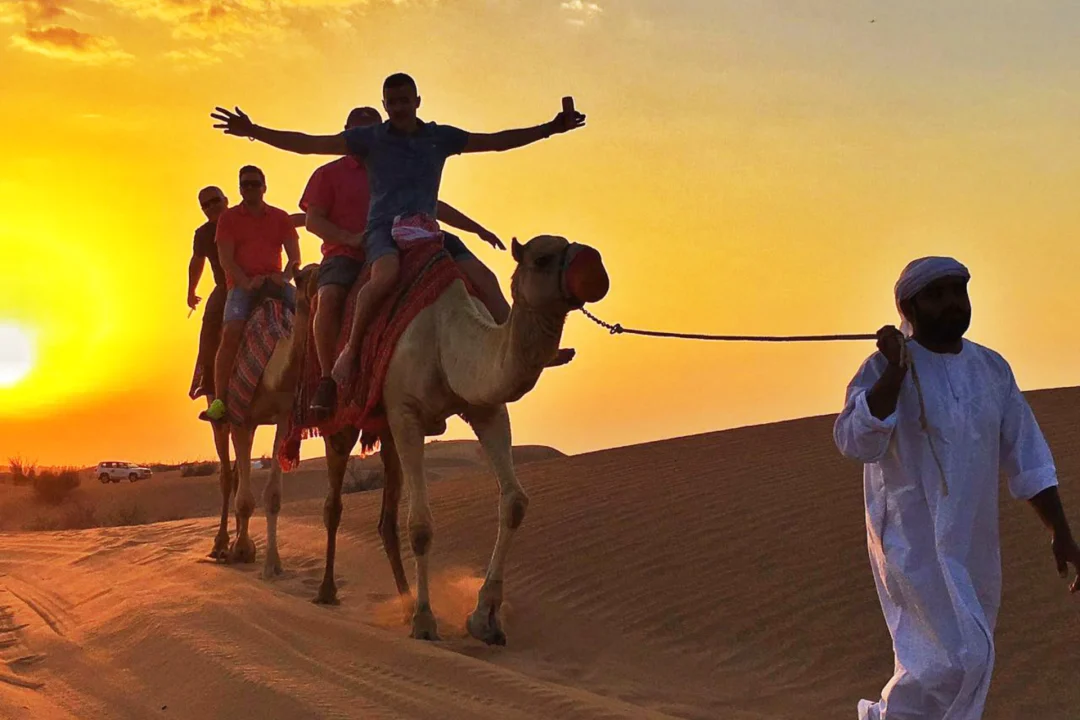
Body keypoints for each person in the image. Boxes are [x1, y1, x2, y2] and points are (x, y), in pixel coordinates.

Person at [210, 71, 583, 395]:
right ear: (385, 104)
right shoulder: (369, 142)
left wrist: (550, 128)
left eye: (405, 100)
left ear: (418, 101)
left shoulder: (439, 138)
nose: (400, 107)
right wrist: (254, 131)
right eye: (393, 102)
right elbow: (311, 144)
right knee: (380, 276)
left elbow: (496, 141)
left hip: (426, 231)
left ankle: (520, 347)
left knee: (483, 276)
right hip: (382, 233)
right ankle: (347, 355)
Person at [833, 256, 1080, 720]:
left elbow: (1027, 454)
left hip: (973, 544)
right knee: (947, 662)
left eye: (958, 291)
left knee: (967, 656)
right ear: (909, 305)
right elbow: (854, 440)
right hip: (911, 544)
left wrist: (1060, 532)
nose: (952, 303)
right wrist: (895, 370)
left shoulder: (991, 369)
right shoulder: (882, 367)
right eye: (937, 294)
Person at [300, 105, 517, 418]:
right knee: (330, 298)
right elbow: (313, 221)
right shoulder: (327, 174)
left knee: (473, 279)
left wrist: (477, 228)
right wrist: (349, 238)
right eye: (356, 131)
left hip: (403, 239)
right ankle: (326, 379)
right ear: (347, 133)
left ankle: (509, 346)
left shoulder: (394, 165)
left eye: (370, 130)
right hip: (348, 253)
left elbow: (431, 203)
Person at [201, 165, 301, 423]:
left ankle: (321, 388)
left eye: (254, 184)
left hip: (275, 281)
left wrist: (285, 277)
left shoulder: (280, 218)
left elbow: (294, 258)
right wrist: (245, 282)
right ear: (239, 189)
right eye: (245, 184)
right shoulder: (229, 219)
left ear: (264, 186)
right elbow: (226, 259)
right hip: (242, 286)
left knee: (309, 314)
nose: (250, 188)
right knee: (231, 330)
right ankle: (220, 401)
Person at [187, 185, 229, 405]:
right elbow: (197, 261)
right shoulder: (203, 233)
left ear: (226, 200)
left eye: (215, 201)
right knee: (211, 324)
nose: (211, 207)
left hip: (264, 280)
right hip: (226, 287)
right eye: (206, 205)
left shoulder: (246, 218)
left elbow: (283, 220)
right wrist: (191, 291)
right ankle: (209, 379)